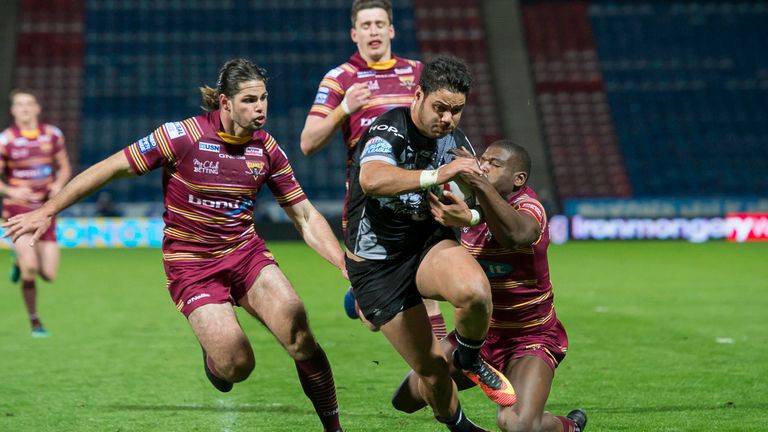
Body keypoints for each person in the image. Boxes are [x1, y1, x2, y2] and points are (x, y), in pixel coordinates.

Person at [4, 59, 346, 432]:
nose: (260, 107)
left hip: (245, 254)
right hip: (192, 265)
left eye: (264, 98)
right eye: (249, 100)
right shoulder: (181, 136)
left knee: (297, 327)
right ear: (225, 102)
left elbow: (306, 216)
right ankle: (215, 353)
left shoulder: (266, 149)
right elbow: (110, 167)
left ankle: (334, 428)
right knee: (236, 365)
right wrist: (48, 210)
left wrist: (345, 265)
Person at [344, 55, 516, 432]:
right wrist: (438, 174)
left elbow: (479, 200)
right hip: (377, 267)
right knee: (433, 371)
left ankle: (469, 359)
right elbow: (372, 179)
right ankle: (461, 427)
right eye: (440, 108)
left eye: (456, 111)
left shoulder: (455, 141)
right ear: (418, 95)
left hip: (425, 245)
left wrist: (467, 215)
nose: (447, 119)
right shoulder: (389, 129)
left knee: (474, 293)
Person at [391, 141, 588, 432]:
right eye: (482, 160)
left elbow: (515, 235)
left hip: (528, 338)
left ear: (518, 179)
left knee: (517, 425)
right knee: (406, 400)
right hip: (476, 336)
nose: (483, 166)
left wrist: (480, 187)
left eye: (494, 163)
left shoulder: (528, 207)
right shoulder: (468, 204)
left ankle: (568, 427)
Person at [300, 0, 446, 337]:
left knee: (427, 290)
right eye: (365, 26)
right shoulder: (340, 78)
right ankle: (363, 294)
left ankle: (440, 370)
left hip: (417, 194)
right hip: (368, 202)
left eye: (379, 24)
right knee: (374, 317)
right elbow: (308, 142)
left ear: (391, 30)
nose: (373, 31)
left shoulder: (417, 73)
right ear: (354, 34)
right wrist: (344, 109)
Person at [0, 89, 72, 338]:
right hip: (17, 211)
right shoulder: (6, 140)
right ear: (13, 110)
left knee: (49, 274)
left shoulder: (52, 135)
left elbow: (63, 167)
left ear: (37, 108)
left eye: (29, 103)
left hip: (45, 211)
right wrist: (10, 189)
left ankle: (19, 262)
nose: (24, 108)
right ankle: (35, 322)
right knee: (30, 267)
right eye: (19, 104)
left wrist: (58, 185)